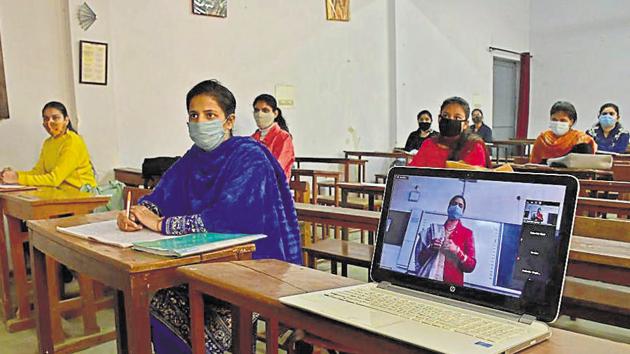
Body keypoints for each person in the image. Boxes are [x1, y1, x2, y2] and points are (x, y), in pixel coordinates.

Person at [117, 79, 302, 354]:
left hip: (251, 267)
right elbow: (162, 196)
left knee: (166, 309)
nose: (200, 122)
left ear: (229, 121)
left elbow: (230, 218)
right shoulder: (194, 158)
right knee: (141, 301)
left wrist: (161, 224)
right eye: (194, 115)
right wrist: (137, 214)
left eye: (210, 115)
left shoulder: (249, 157)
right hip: (201, 263)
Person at [0, 101, 96, 190]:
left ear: (66, 120)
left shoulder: (73, 141)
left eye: (55, 118)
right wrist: (13, 174)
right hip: (59, 194)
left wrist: (17, 178)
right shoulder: (48, 142)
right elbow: (38, 172)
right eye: (46, 119)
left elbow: (54, 179)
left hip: (81, 196)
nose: (49, 122)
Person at [408, 97, 490, 168]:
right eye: (445, 115)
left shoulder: (473, 146)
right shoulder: (429, 144)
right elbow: (412, 174)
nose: (450, 120)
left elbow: (475, 181)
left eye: (457, 117)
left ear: (465, 124)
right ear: (439, 118)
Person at [414, 195, 476, 286]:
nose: (456, 207)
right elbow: (420, 260)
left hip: (450, 286)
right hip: (428, 279)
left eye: (460, 205)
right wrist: (430, 248)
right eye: (454, 204)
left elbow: (470, 266)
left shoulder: (467, 234)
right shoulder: (433, 231)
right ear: (448, 207)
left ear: (462, 212)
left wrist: (457, 251)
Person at [530, 101, 597, 164]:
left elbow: (585, 165)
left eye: (563, 120)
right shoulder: (542, 139)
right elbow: (534, 164)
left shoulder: (581, 140)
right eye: (554, 120)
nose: (558, 123)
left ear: (571, 122)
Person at [251, 94, 295, 180]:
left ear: (275, 113)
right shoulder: (252, 139)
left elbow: (277, 168)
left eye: (265, 110)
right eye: (256, 110)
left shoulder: (283, 138)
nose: (259, 114)